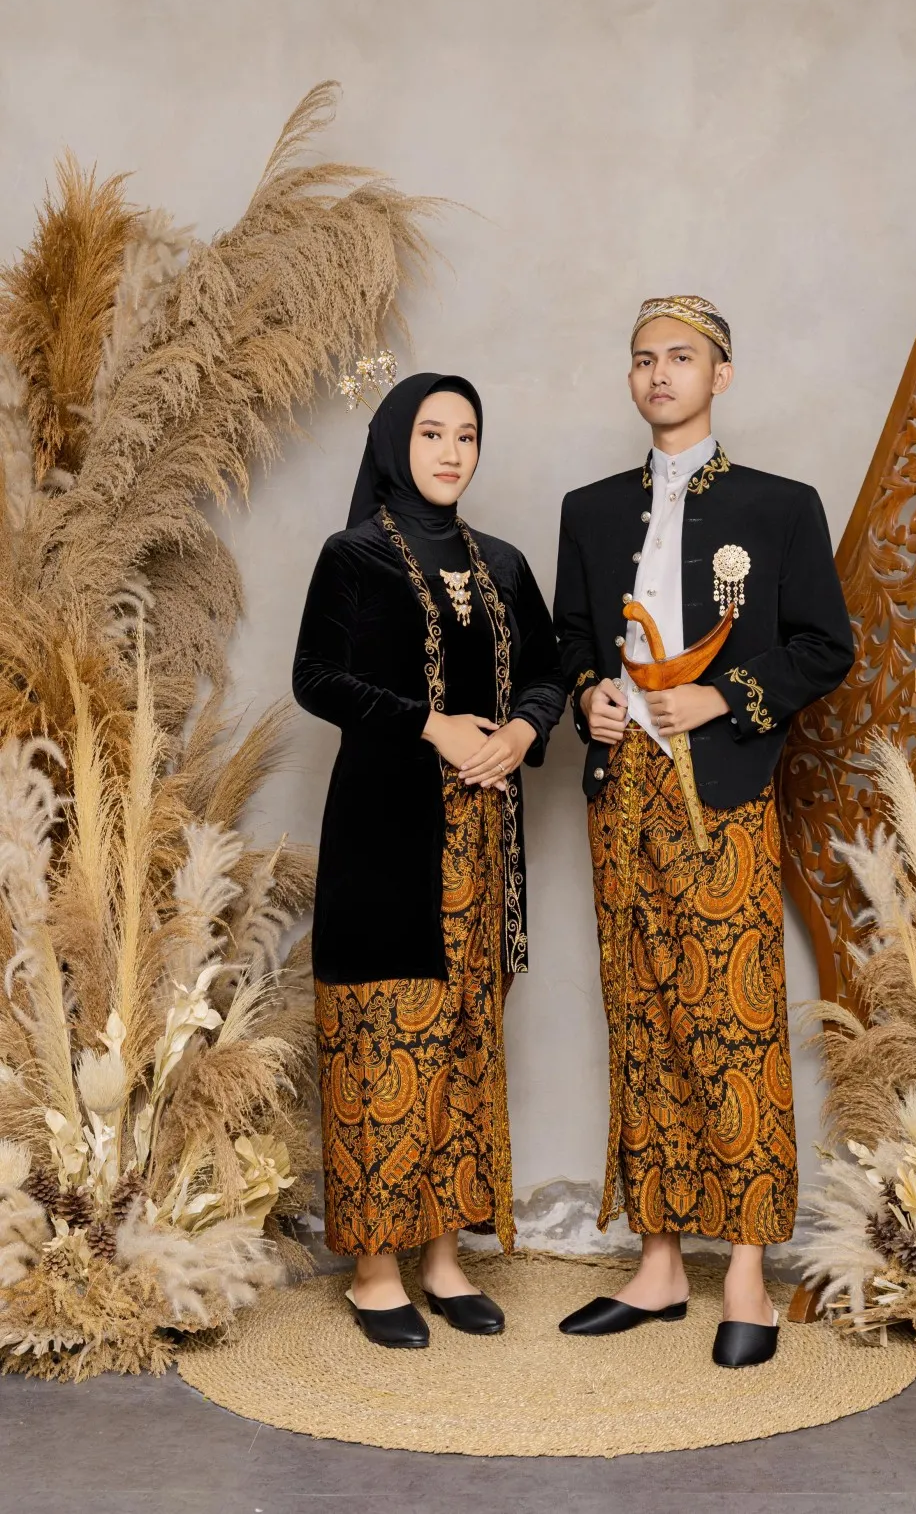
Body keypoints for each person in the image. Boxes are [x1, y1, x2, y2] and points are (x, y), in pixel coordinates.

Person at [553, 297, 853, 1366]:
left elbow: (825, 646)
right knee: (642, 1016)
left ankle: (747, 1279)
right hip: (620, 791)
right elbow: (570, 640)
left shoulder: (780, 506)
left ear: (720, 374)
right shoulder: (591, 510)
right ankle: (659, 1265)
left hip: (721, 786)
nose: (659, 374)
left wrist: (724, 697)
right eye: (643, 358)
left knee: (735, 1024)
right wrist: (588, 694)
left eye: (681, 357)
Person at [293, 372, 565, 1349]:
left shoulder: (504, 564)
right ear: (394, 443)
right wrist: (431, 725)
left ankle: (445, 1260)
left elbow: (548, 673)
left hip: (483, 854)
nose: (451, 452)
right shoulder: (354, 556)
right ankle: (375, 1272)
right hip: (384, 843)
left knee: (463, 1046)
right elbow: (314, 678)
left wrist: (524, 732)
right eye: (432, 433)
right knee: (380, 1047)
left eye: (467, 435)